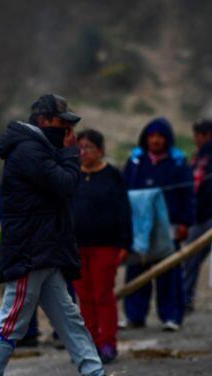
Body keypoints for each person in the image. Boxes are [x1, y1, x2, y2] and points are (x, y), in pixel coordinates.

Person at [0, 94, 139, 376]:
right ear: (46, 120)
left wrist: (64, 151)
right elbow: (65, 184)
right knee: (11, 323)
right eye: (65, 123)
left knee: (70, 320)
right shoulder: (29, 150)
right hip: (31, 251)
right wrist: (71, 152)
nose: (69, 131)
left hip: (44, 250)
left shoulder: (38, 148)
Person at [121, 118, 194, 331]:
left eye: (160, 136)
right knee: (137, 270)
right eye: (152, 136)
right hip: (139, 227)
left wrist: (185, 222)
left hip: (168, 225)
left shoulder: (178, 162)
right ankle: (135, 315)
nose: (155, 140)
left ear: (167, 139)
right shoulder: (136, 162)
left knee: (169, 273)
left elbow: (188, 194)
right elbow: (123, 192)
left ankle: (171, 316)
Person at [72, 129, 132, 363]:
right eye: (80, 148)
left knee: (103, 294)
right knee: (83, 296)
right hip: (77, 246)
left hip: (106, 245)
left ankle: (108, 343)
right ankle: (90, 344)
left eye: (89, 148)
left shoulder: (112, 175)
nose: (84, 152)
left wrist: (125, 242)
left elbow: (124, 211)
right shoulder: (74, 176)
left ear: (101, 151)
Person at [182, 119, 212, 312]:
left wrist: (200, 200)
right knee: (190, 258)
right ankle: (186, 298)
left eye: (198, 136)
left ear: (207, 135)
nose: (195, 140)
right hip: (199, 216)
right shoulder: (199, 156)